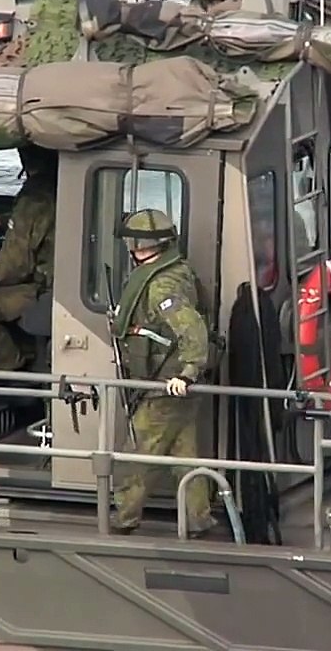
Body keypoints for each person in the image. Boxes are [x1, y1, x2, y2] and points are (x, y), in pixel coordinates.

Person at [109, 208, 217, 538]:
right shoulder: (178, 270)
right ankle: (199, 519)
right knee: (184, 455)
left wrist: (187, 373)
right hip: (171, 385)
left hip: (164, 385)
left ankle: (124, 518)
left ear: (136, 246)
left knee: (138, 455)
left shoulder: (161, 285)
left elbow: (192, 329)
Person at [0, 145, 58, 372]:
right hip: (58, 283)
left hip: (45, 289)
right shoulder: (57, 185)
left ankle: (12, 369)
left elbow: (18, 262)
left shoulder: (36, 195)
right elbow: (40, 222)